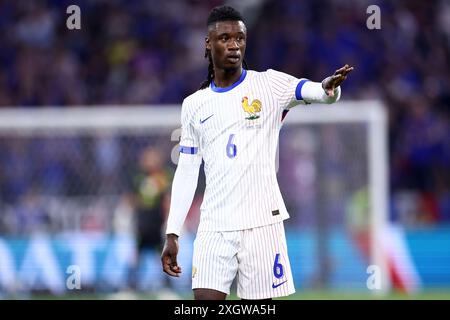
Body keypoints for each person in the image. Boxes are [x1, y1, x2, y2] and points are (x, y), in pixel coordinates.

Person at [161, 5, 353, 300]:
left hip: (262, 223)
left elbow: (314, 91)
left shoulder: (268, 85)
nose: (234, 45)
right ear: (208, 43)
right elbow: (187, 171)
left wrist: (329, 88)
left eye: (240, 38)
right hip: (214, 226)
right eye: (225, 38)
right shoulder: (194, 105)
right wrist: (173, 232)